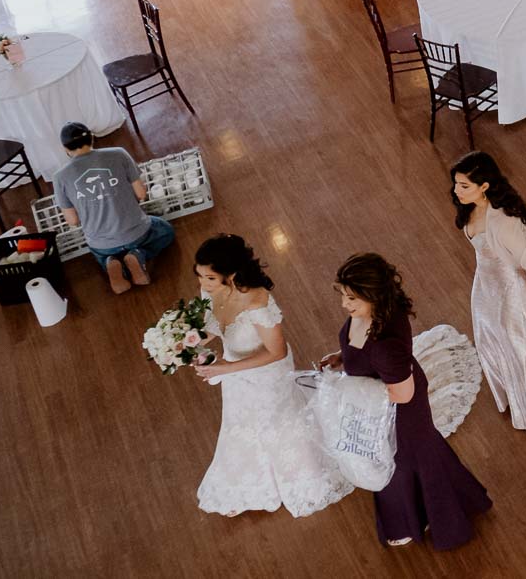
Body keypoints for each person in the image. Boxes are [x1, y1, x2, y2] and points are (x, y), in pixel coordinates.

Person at [321, 254, 491, 549]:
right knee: (414, 458)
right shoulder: (369, 313)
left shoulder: (387, 346)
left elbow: (402, 394)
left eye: (352, 298)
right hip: (383, 401)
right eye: (344, 296)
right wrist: (341, 358)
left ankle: (413, 521)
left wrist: (348, 391)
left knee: (397, 463)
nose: (344, 304)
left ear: (373, 296)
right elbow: (359, 349)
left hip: (400, 414)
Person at [191, 234, 350, 518]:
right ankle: (247, 474)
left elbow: (275, 352)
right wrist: (187, 341)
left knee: (275, 422)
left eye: (209, 278)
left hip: (265, 374)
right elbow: (217, 326)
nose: (202, 284)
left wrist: (225, 368)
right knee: (241, 420)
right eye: (199, 276)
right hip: (235, 372)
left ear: (232, 275)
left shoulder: (257, 301)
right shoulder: (211, 292)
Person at [451, 151, 526, 440]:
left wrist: (521, 296)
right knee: (492, 343)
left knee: (520, 350)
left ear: (484, 185)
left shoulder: (505, 224)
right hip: (485, 290)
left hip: (511, 297)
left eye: (464, 185)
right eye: (456, 184)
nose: (456, 191)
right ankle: (512, 391)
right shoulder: (470, 210)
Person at [51, 122, 174, 294]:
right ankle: (139, 255)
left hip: (102, 243)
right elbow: (141, 193)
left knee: (100, 254)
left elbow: (72, 220)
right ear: (92, 137)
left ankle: (112, 263)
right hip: (137, 232)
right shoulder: (118, 154)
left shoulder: (59, 177)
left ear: (65, 148)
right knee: (166, 231)